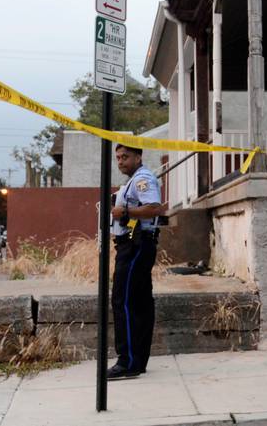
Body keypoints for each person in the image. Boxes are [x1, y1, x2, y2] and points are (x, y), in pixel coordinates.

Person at [108, 144, 162, 380]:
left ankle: (127, 361)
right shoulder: (133, 180)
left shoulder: (143, 178)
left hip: (135, 244)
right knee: (139, 302)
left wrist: (125, 213)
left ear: (138, 157)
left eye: (126, 157)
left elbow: (153, 208)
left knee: (123, 300)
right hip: (133, 243)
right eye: (118, 157)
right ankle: (137, 360)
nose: (121, 161)